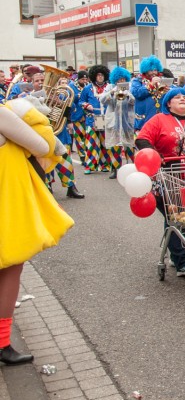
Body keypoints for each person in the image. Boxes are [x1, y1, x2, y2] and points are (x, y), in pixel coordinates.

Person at [0, 97, 74, 364]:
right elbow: (43, 146)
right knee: (11, 267)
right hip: (6, 200)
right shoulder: (2, 114)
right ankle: (2, 343)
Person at [135, 87, 185, 276]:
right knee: (173, 216)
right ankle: (182, 261)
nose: (182, 99)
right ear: (168, 103)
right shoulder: (158, 120)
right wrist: (156, 154)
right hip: (165, 176)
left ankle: (177, 252)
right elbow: (142, 140)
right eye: (177, 97)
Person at [40, 72, 85, 199]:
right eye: (38, 81)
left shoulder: (63, 96)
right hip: (44, 134)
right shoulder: (36, 96)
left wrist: (59, 102)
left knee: (66, 161)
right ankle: (47, 186)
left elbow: (72, 110)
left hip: (61, 133)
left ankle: (71, 187)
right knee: (46, 161)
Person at [99, 67, 136, 179]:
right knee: (115, 145)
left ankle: (131, 167)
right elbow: (102, 100)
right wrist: (112, 92)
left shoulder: (129, 87)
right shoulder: (109, 87)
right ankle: (115, 168)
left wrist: (127, 94)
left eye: (123, 79)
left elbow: (133, 101)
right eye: (119, 79)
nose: (121, 81)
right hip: (113, 121)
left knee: (129, 145)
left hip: (126, 121)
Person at [79, 65, 111, 174]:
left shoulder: (109, 87)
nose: (100, 77)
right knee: (91, 143)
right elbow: (81, 101)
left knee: (104, 143)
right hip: (92, 118)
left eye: (102, 75)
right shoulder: (88, 88)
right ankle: (89, 166)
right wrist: (86, 105)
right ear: (94, 76)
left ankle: (105, 165)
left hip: (105, 117)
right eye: (98, 75)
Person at [131, 56, 167, 132]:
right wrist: (151, 84)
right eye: (150, 70)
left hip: (160, 118)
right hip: (143, 121)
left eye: (155, 70)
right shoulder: (138, 81)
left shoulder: (162, 80)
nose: (153, 73)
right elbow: (137, 93)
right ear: (145, 71)